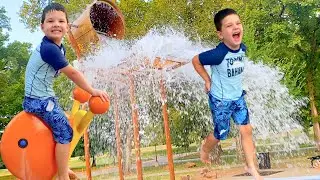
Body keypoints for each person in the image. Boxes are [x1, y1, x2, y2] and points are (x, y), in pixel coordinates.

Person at [23, 3, 109, 180]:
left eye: (61, 21)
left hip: (44, 98)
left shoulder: (58, 47)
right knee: (65, 131)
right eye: (50, 21)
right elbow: (72, 72)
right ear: (42, 26)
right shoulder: (49, 49)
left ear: (67, 26)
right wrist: (92, 90)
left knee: (61, 127)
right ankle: (63, 176)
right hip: (38, 101)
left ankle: (59, 167)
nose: (56, 24)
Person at [192, 8, 262, 180]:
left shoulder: (242, 48)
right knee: (221, 133)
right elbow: (196, 60)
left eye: (238, 23)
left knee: (246, 129)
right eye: (229, 25)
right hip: (221, 101)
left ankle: (251, 167)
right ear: (220, 34)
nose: (236, 27)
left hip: (238, 98)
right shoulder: (218, 54)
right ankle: (205, 149)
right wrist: (207, 80)